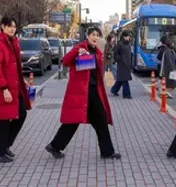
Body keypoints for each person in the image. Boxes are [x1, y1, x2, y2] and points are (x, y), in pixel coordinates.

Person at [46, 27, 121, 160]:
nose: (95, 37)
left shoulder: (97, 52)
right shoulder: (79, 47)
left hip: (93, 91)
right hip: (80, 92)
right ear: (87, 36)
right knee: (73, 121)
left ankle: (107, 151)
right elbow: (65, 61)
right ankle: (54, 146)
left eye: (97, 35)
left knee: (101, 120)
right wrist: (76, 51)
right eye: (93, 34)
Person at [0, 17, 31, 163]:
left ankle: (5, 145)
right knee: (2, 120)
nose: (12, 29)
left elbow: (14, 66)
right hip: (3, 87)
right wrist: (4, 88)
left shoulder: (12, 42)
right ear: (2, 26)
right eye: (9, 26)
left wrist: (21, 79)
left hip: (14, 85)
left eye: (14, 26)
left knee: (21, 113)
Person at [110, 31, 133, 99]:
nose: (128, 37)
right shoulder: (120, 44)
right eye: (127, 36)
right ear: (124, 37)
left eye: (129, 36)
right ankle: (127, 94)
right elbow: (115, 53)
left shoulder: (128, 44)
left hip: (127, 64)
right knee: (125, 79)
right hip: (122, 64)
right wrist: (119, 59)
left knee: (121, 79)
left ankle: (114, 90)